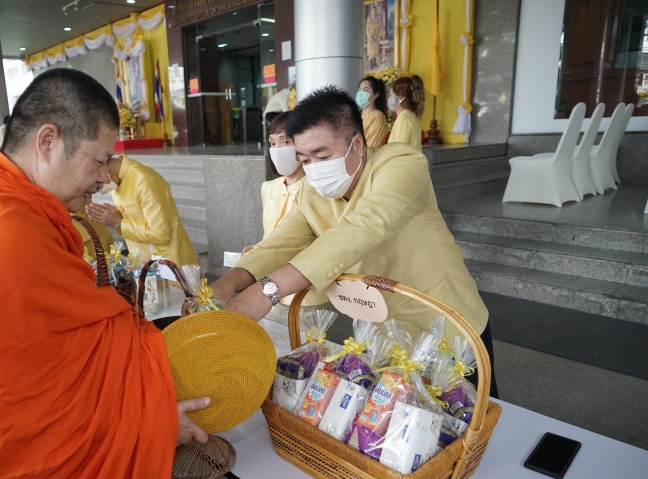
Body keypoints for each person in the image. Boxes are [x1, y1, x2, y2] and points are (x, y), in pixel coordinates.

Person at [0, 69, 209, 479]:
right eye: (97, 162)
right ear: (48, 141)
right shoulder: (5, 231)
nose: (101, 178)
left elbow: (62, 349)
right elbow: (31, 387)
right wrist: (151, 413)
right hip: (45, 463)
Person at [212, 86, 498, 398]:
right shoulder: (312, 190)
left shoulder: (401, 165)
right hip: (381, 333)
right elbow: (280, 242)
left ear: (357, 144)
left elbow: (361, 228)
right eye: (304, 159)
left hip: (443, 325)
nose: (313, 169)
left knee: (469, 427)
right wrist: (229, 282)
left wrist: (268, 291)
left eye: (322, 155)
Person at [243, 112, 327, 307]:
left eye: (285, 142)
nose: (277, 150)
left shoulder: (317, 190)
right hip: (268, 290)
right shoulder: (269, 188)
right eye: (272, 143)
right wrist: (259, 249)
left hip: (304, 294)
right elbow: (273, 234)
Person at [85, 156, 198, 268]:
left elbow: (161, 234)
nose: (101, 189)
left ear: (104, 171)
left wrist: (119, 223)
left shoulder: (144, 180)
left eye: (99, 185)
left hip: (169, 264)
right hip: (143, 262)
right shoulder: (115, 180)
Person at [387, 75, 425, 151]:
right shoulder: (410, 115)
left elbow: (398, 151)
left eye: (391, 95)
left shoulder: (403, 119)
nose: (389, 99)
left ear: (401, 97)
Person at [356, 76, 390, 148]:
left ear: (376, 95)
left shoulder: (378, 117)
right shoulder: (356, 115)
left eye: (365, 90)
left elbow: (371, 147)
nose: (360, 93)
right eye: (359, 90)